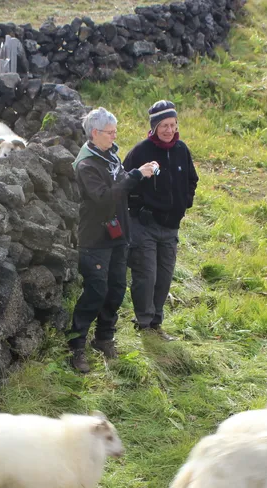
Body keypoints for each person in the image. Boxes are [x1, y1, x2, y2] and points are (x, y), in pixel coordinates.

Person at [68, 107, 159, 374]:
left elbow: (120, 189)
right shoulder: (87, 165)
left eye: (115, 131)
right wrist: (135, 176)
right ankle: (76, 346)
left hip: (118, 235)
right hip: (95, 237)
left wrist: (141, 175)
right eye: (110, 132)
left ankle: (104, 338)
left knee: (117, 288)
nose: (114, 135)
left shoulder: (111, 157)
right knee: (96, 292)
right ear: (95, 133)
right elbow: (104, 198)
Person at [123, 100, 198, 341]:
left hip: (171, 227)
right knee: (146, 276)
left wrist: (185, 202)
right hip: (144, 226)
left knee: (164, 276)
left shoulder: (181, 150)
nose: (168, 130)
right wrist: (138, 207)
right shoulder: (141, 151)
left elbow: (192, 179)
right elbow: (125, 180)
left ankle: (156, 322)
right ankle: (144, 323)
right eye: (163, 125)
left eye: (172, 125)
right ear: (154, 127)